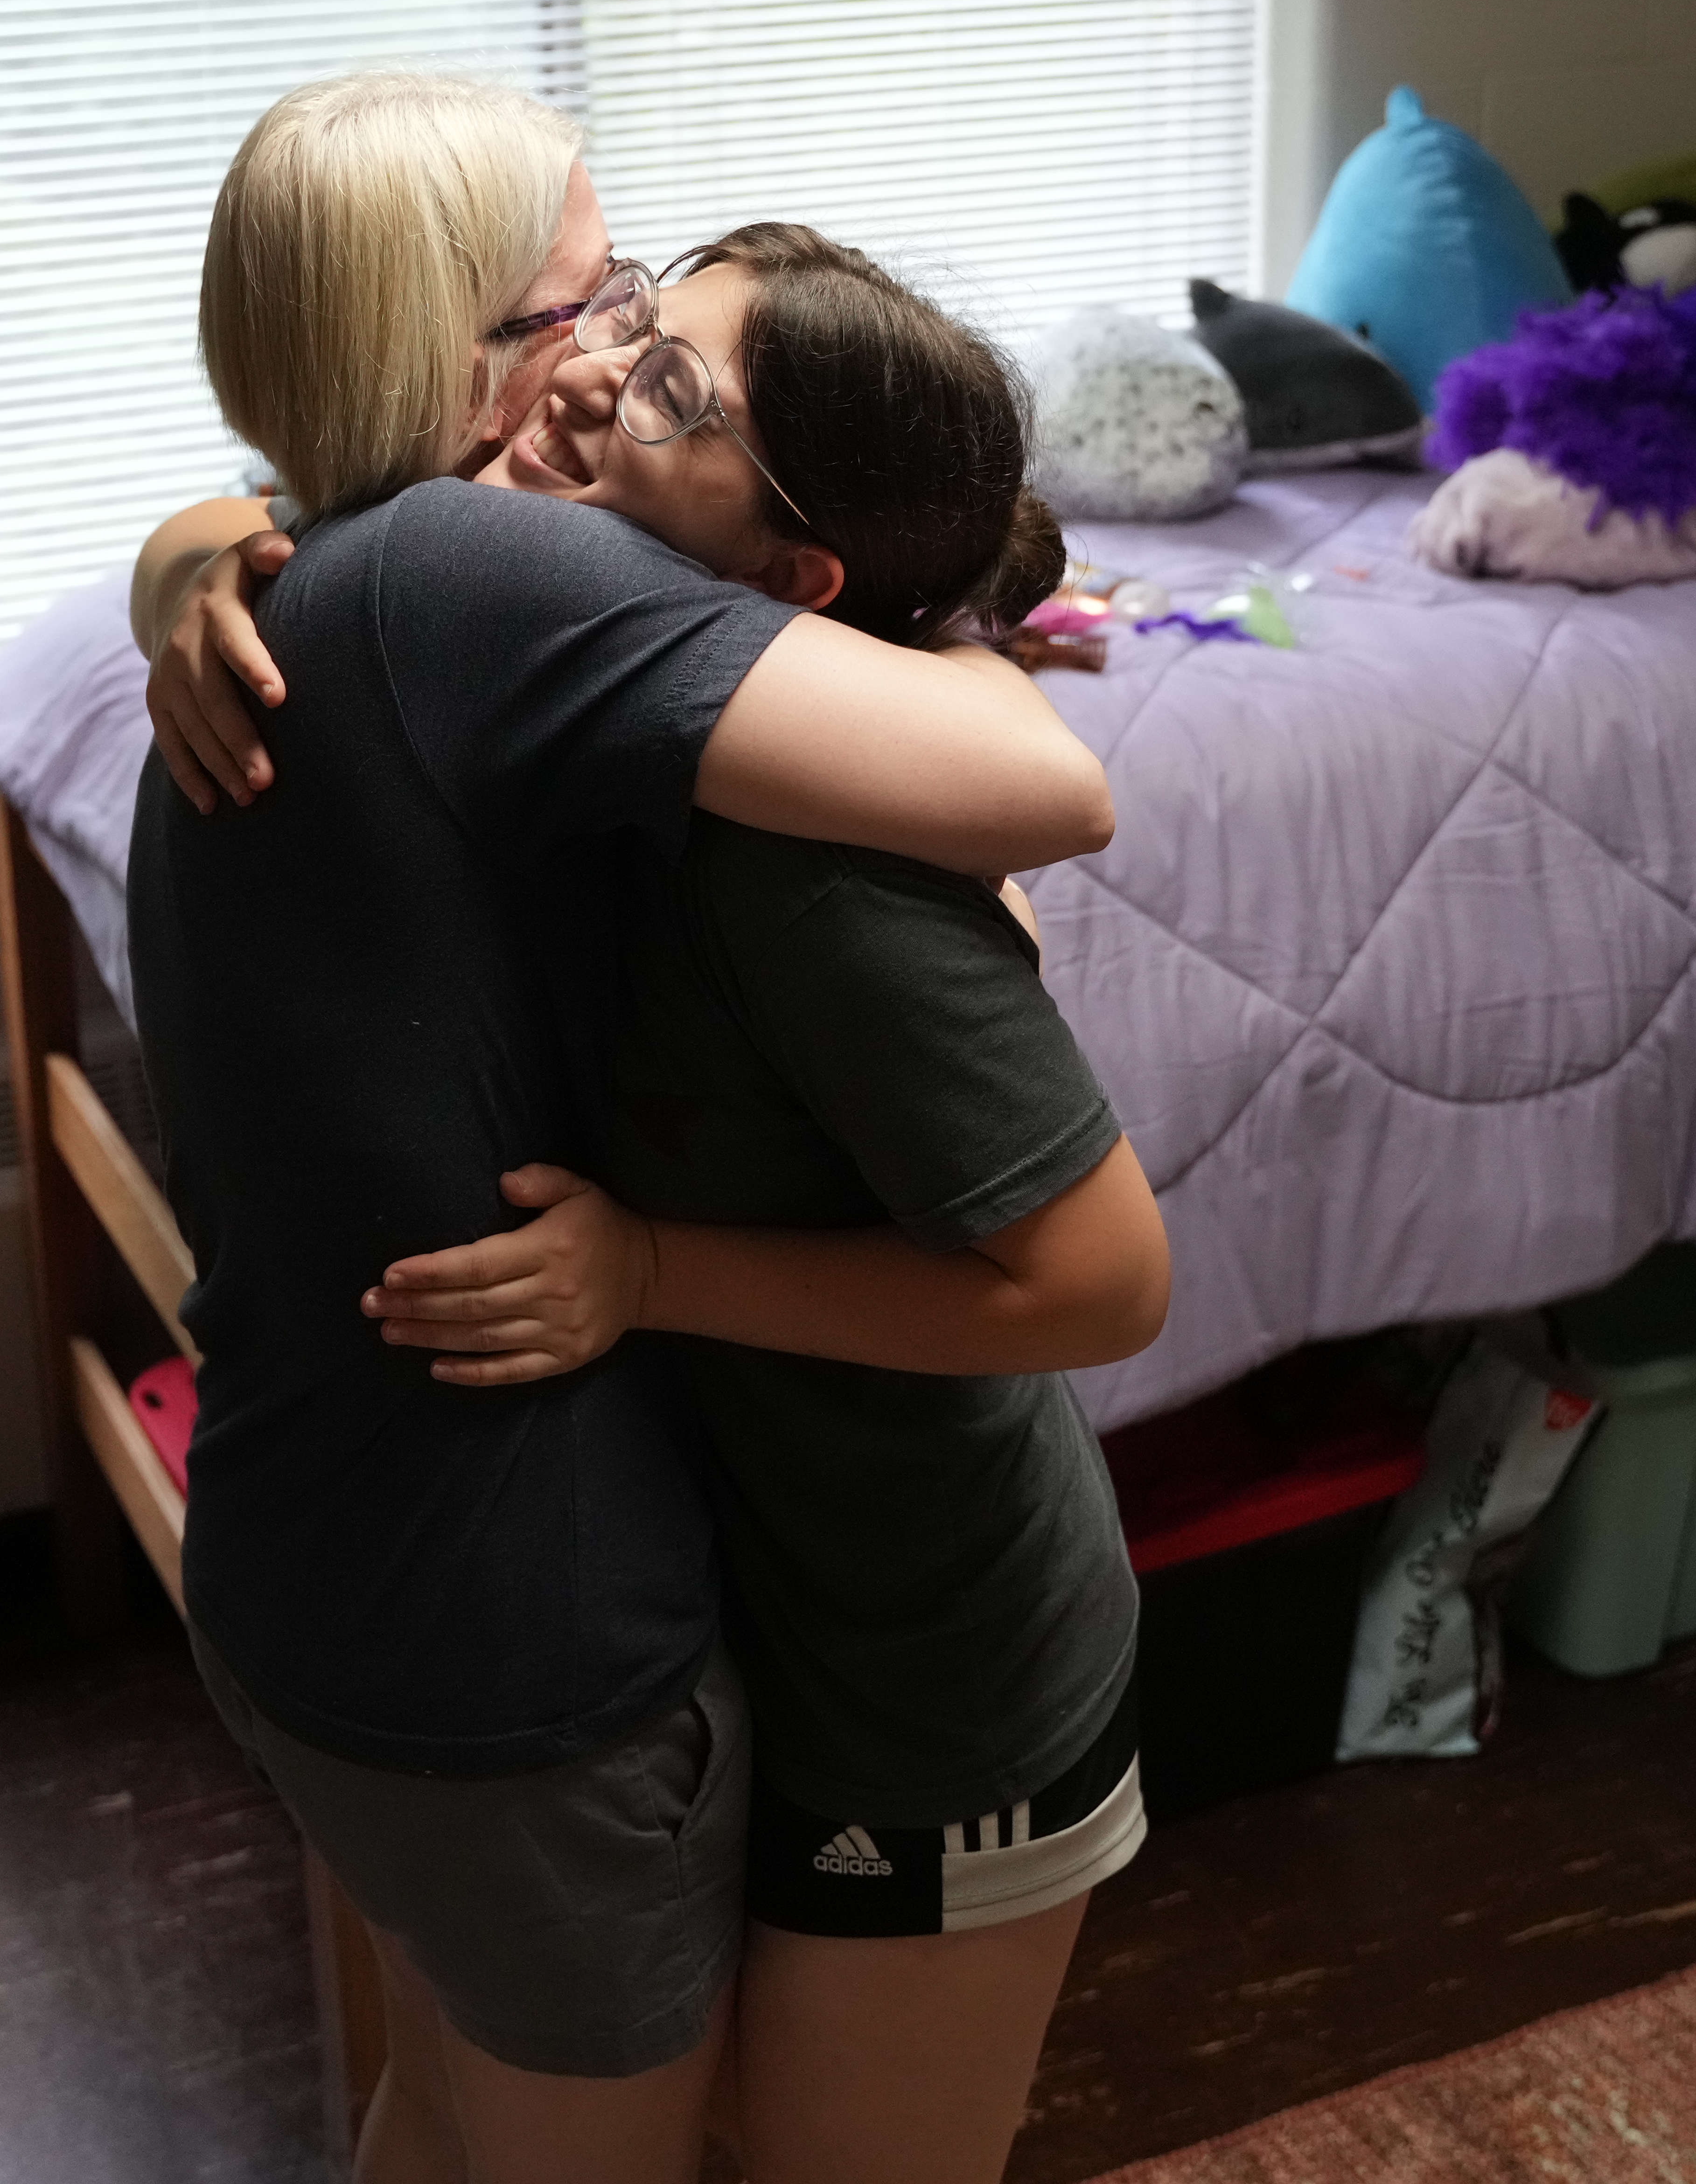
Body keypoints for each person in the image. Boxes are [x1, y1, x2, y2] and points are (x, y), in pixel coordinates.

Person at [125, 72, 1118, 2184]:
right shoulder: (468, 573)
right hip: (511, 1634)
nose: (597, 362)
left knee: (466, 2108)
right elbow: (1045, 781)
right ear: (452, 356)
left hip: (333, 1571)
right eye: (583, 311)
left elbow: (1040, 848)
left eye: (636, 315)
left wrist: (198, 540)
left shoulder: (360, 579)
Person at [358, 227, 1161, 2184]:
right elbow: (363, 524)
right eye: (630, 316)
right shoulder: (593, 700)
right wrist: (193, 560)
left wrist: (651, 1272)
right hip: (728, 1641)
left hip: (935, 1688)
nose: (590, 372)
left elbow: (1106, 1285)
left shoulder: (818, 868)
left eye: (671, 389)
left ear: (795, 579)